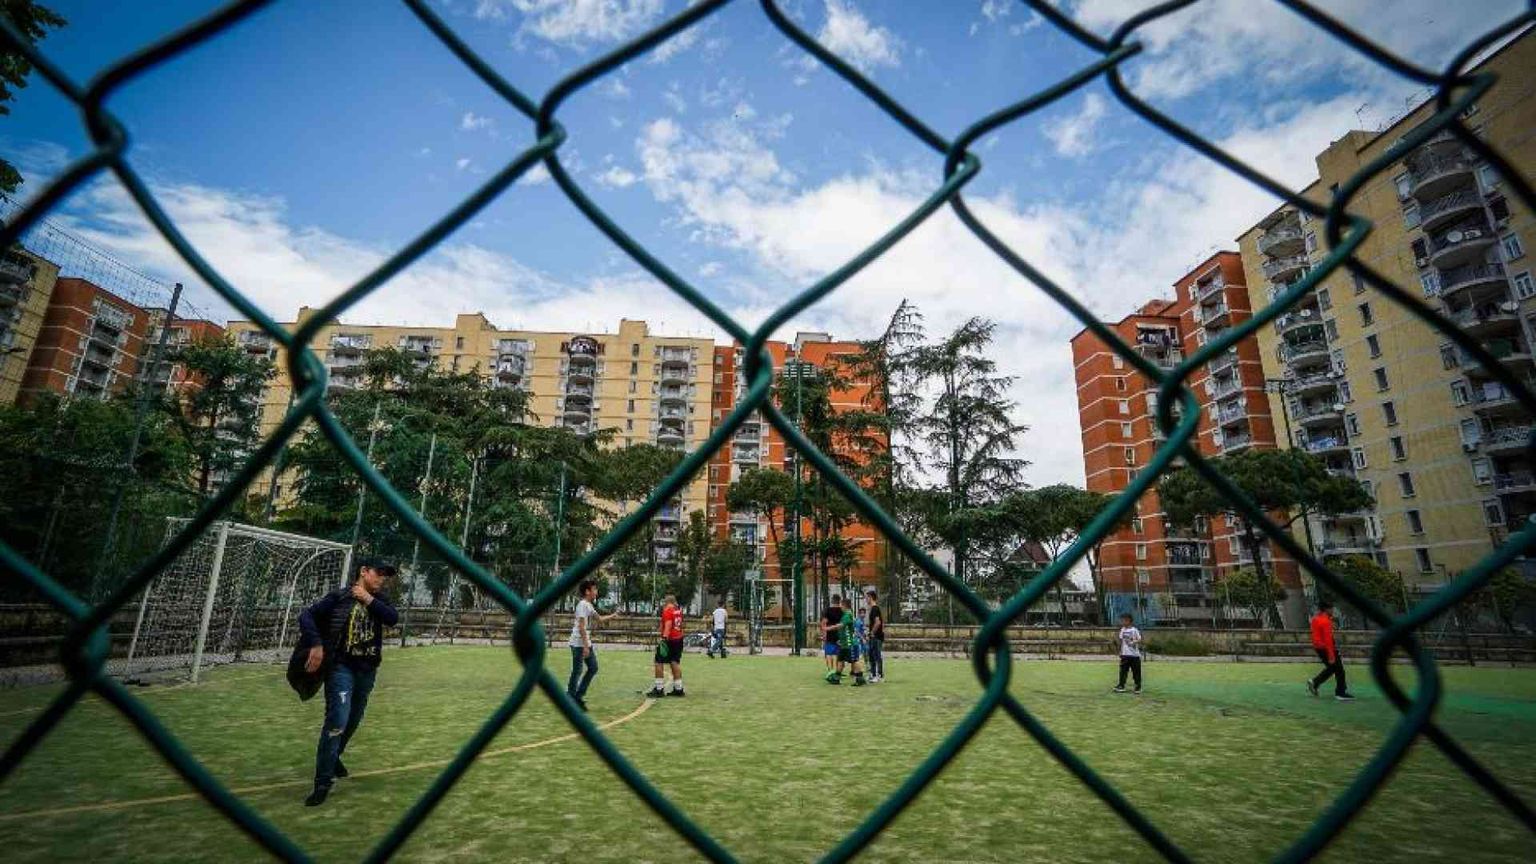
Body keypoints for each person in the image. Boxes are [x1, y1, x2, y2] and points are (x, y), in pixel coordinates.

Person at [297, 559, 399, 807]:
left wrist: (368, 598)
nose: (382, 579)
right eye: (379, 573)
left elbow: (392, 618)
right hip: (341, 668)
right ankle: (323, 781)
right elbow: (307, 616)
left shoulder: (379, 600)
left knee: (352, 721)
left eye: (385, 576)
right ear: (363, 572)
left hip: (367, 670)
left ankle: (334, 757)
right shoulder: (340, 596)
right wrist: (317, 644)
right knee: (337, 720)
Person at [568, 579, 617, 712]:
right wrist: (585, 646)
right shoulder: (583, 605)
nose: (596, 591)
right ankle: (571, 698)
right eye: (594, 589)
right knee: (577, 670)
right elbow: (582, 627)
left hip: (584, 642)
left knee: (593, 668)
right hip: (578, 643)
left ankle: (577, 696)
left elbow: (599, 619)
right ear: (587, 591)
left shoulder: (588, 605)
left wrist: (613, 615)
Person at [1308, 600, 1354, 701]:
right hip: (1326, 647)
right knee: (1339, 670)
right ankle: (1340, 693)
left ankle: (1315, 682)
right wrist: (1331, 655)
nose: (1333, 610)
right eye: (1331, 608)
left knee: (1332, 668)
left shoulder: (1316, 619)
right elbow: (1328, 639)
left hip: (1318, 647)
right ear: (1327, 609)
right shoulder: (1325, 621)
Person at [649, 593, 686, 698]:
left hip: (669, 639)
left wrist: (664, 638)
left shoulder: (667, 611)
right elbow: (681, 625)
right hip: (678, 639)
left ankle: (659, 688)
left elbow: (668, 625)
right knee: (675, 662)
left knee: (658, 661)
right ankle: (679, 689)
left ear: (667, 602)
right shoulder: (678, 611)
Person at [835, 598, 867, 687]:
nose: (840, 606)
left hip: (850, 643)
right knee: (840, 659)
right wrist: (840, 639)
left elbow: (848, 628)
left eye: (841, 604)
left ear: (844, 605)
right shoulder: (846, 615)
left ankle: (860, 678)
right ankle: (836, 677)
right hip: (844, 643)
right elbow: (846, 629)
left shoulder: (848, 615)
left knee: (854, 660)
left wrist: (830, 627)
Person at [1112, 613, 1143, 694]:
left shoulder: (1134, 630)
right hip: (1125, 655)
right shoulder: (1122, 630)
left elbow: (1139, 639)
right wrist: (1120, 651)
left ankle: (1137, 687)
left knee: (1136, 672)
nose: (1122, 622)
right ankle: (1121, 685)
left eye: (1124, 620)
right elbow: (1121, 641)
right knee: (1123, 671)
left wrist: (1133, 642)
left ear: (1128, 621)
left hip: (1134, 655)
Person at [821, 596, 844, 683]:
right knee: (837, 654)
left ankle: (830, 671)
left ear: (832, 600)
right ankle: (836, 671)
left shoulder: (828, 610)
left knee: (829, 653)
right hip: (840, 635)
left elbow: (824, 622)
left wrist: (824, 634)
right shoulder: (842, 611)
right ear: (839, 601)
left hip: (830, 634)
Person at [864, 589, 885, 683]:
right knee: (871, 655)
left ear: (871, 597)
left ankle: (879, 675)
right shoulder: (872, 609)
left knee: (877, 656)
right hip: (874, 637)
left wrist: (872, 633)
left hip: (876, 637)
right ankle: (872, 675)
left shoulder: (875, 609)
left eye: (867, 597)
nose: (866, 599)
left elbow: (878, 622)